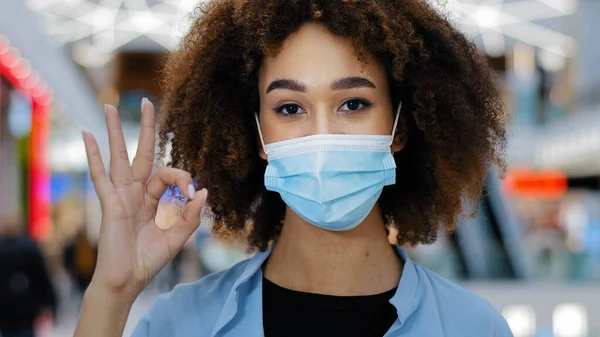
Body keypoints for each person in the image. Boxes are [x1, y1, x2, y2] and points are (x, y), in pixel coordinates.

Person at [75, 0, 511, 336]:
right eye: (289, 108)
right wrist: (111, 293)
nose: (322, 135)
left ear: (399, 127)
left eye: (353, 103)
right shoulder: (185, 323)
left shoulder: (472, 327)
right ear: (258, 137)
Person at [0, 215, 57, 337]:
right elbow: (41, 278)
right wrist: (49, 302)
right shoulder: (29, 247)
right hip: (27, 305)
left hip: (4, 306)